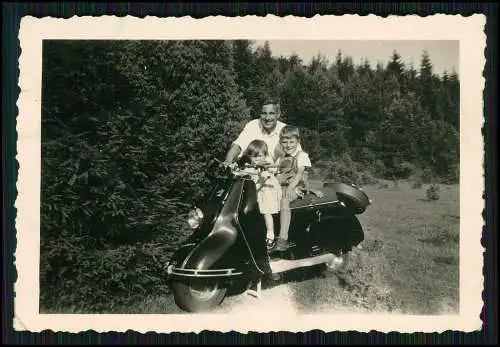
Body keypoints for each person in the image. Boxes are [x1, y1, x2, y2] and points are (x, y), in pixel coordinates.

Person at [223, 98, 302, 175]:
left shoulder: (285, 130)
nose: (267, 118)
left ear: (278, 114)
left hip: (276, 177)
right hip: (249, 174)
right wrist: (227, 162)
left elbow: (298, 157)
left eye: (271, 113)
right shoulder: (253, 125)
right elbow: (237, 146)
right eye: (264, 113)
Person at [274, 125, 312, 251]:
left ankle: (283, 238)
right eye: (285, 142)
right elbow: (275, 172)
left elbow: (299, 175)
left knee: (284, 200)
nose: (288, 145)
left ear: (298, 142)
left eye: (292, 142)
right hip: (282, 187)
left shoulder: (302, 155)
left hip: (297, 187)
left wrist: (290, 188)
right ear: (280, 143)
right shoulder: (280, 158)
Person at [239, 139, 282, 250]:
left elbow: (262, 181)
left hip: (267, 191)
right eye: (253, 156)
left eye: (260, 156)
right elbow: (244, 172)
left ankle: (270, 235)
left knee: (266, 211)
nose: (257, 159)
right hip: (257, 191)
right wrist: (237, 170)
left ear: (265, 155)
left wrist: (264, 170)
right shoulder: (250, 166)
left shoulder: (266, 167)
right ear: (249, 156)